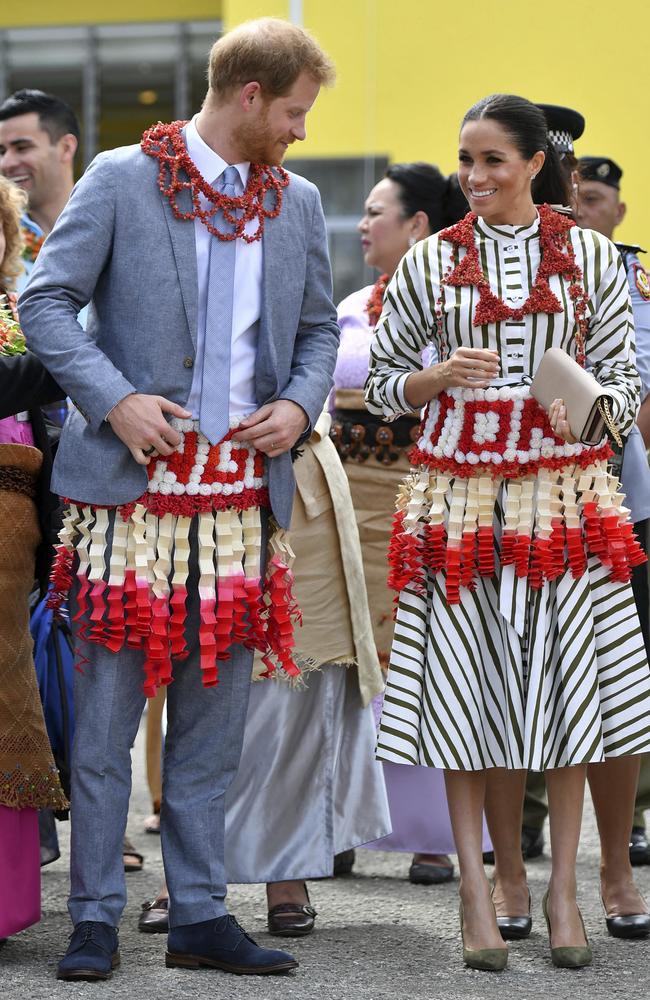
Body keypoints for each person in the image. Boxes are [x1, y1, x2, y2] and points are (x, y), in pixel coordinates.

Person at [19, 17, 338, 982]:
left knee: (215, 726)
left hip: (242, 502)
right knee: (110, 720)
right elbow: (42, 301)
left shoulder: (300, 201)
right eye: (292, 113)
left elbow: (320, 329)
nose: (299, 132)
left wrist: (295, 403)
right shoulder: (122, 177)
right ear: (248, 97)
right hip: (129, 502)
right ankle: (94, 916)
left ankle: (200, 911)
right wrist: (113, 400)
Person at [366, 92, 650, 971]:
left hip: (564, 503)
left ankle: (566, 891)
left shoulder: (598, 261)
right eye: (465, 159)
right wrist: (434, 377)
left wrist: (591, 409)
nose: (476, 176)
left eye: (493, 159)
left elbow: (626, 384)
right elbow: (377, 387)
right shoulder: (425, 265)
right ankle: (476, 894)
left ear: (535, 163)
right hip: (457, 503)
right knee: (463, 697)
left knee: (569, 696)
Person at [138, 409, 391, 936]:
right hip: (187, 467)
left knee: (298, 683)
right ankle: (183, 875)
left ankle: (288, 873)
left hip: (291, 465)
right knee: (199, 674)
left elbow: (317, 337)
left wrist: (298, 405)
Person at [332, 162, 490, 884]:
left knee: (421, 657)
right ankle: (335, 822)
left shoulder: (456, 305)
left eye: (376, 212)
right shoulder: (349, 304)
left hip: (422, 496)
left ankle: (431, 832)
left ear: (418, 225)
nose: (363, 225)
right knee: (342, 657)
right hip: (342, 502)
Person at [0, 88, 140, 871]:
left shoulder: (104, 229)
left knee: (80, 676)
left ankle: (95, 829)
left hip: (65, 505)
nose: (12, 159)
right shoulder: (23, 290)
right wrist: (84, 365)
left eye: (23, 143)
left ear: (65, 146)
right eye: (2, 147)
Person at [0, 175, 68, 943]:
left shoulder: (16, 314)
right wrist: (70, 348)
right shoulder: (33, 331)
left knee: (14, 707)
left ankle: (8, 901)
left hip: (16, 540)